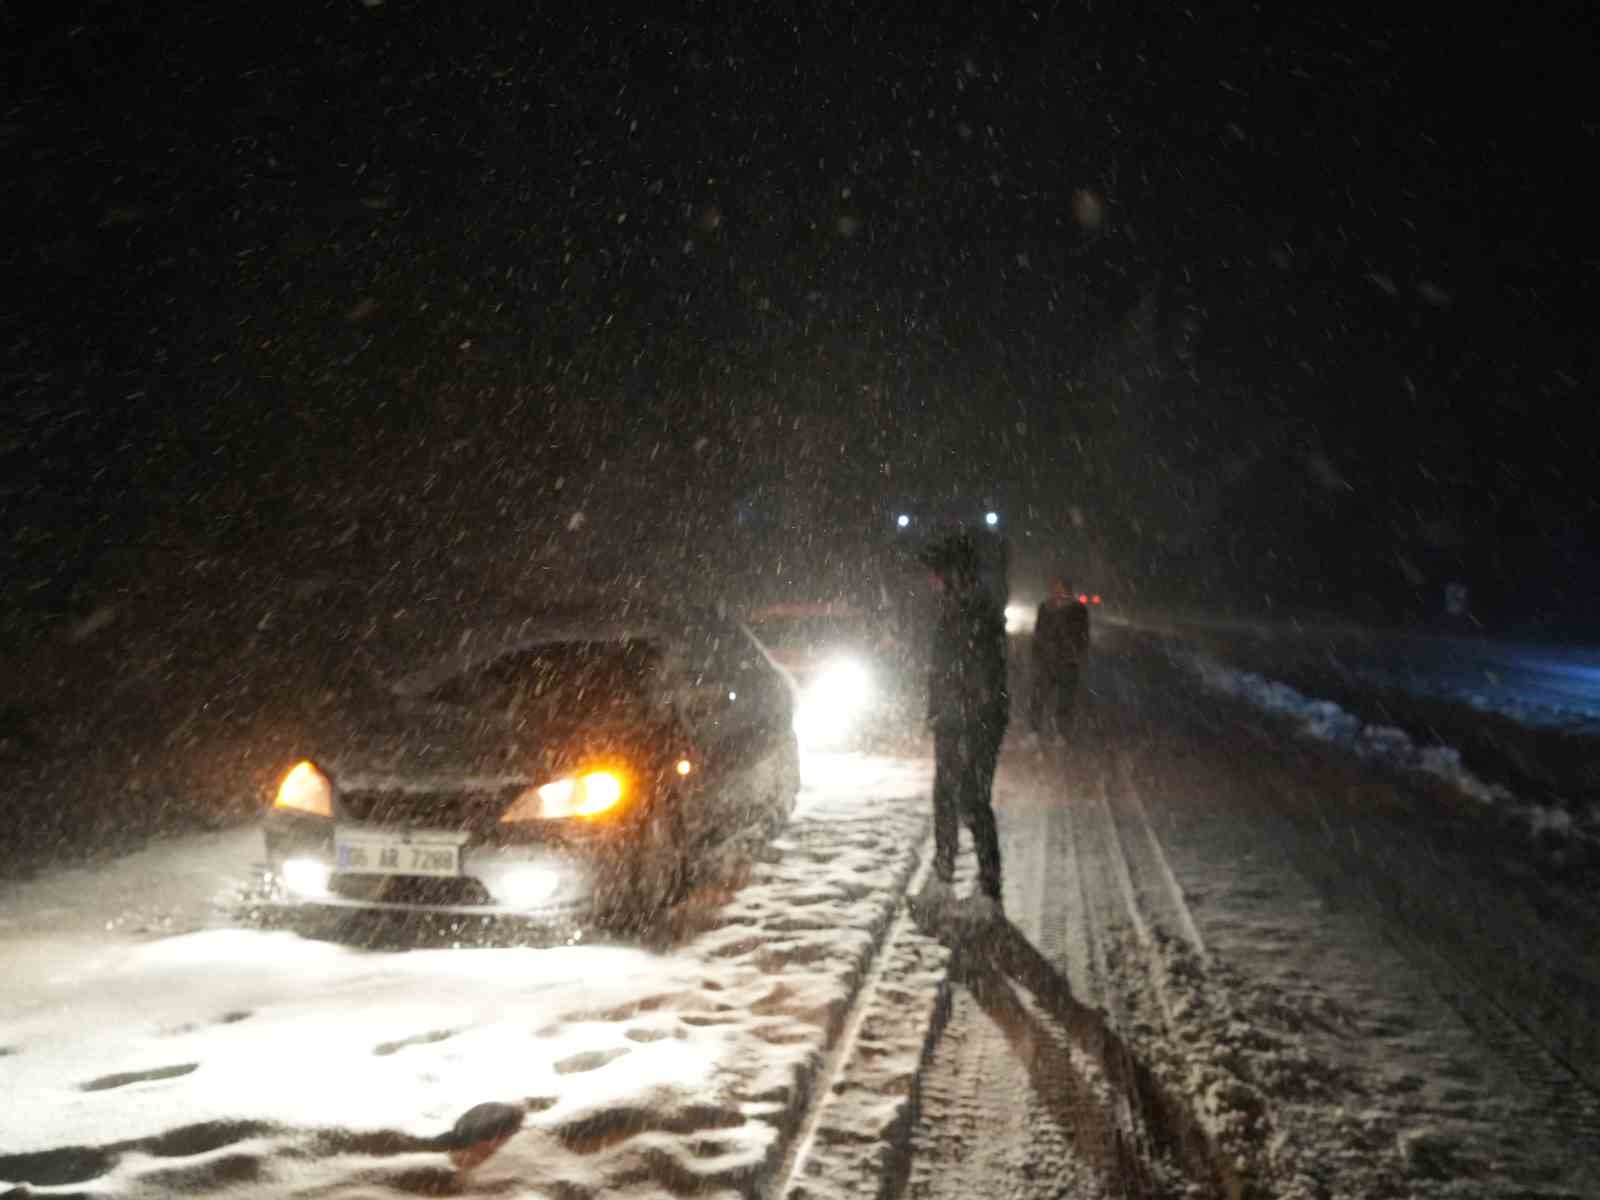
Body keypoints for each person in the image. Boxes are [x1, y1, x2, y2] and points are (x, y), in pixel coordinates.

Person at [918, 531, 1009, 917]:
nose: (931, 581)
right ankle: (943, 875)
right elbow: (942, 669)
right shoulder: (954, 607)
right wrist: (938, 711)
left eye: (937, 574)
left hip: (977, 720)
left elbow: (982, 674)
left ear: (955, 573)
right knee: (944, 795)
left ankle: (989, 890)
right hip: (953, 718)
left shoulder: (978, 612)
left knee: (972, 798)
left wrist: (970, 715)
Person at [1029, 577, 1091, 742]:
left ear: (1068, 590)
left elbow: (1083, 635)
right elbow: (1039, 631)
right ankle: (1034, 732)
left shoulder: (1078, 609)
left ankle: (1061, 735)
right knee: (1038, 697)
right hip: (1047, 660)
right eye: (1055, 588)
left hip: (1067, 661)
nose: (1058, 592)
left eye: (1061, 588)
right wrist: (1037, 652)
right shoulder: (1045, 607)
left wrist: (1075, 652)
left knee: (1065, 701)